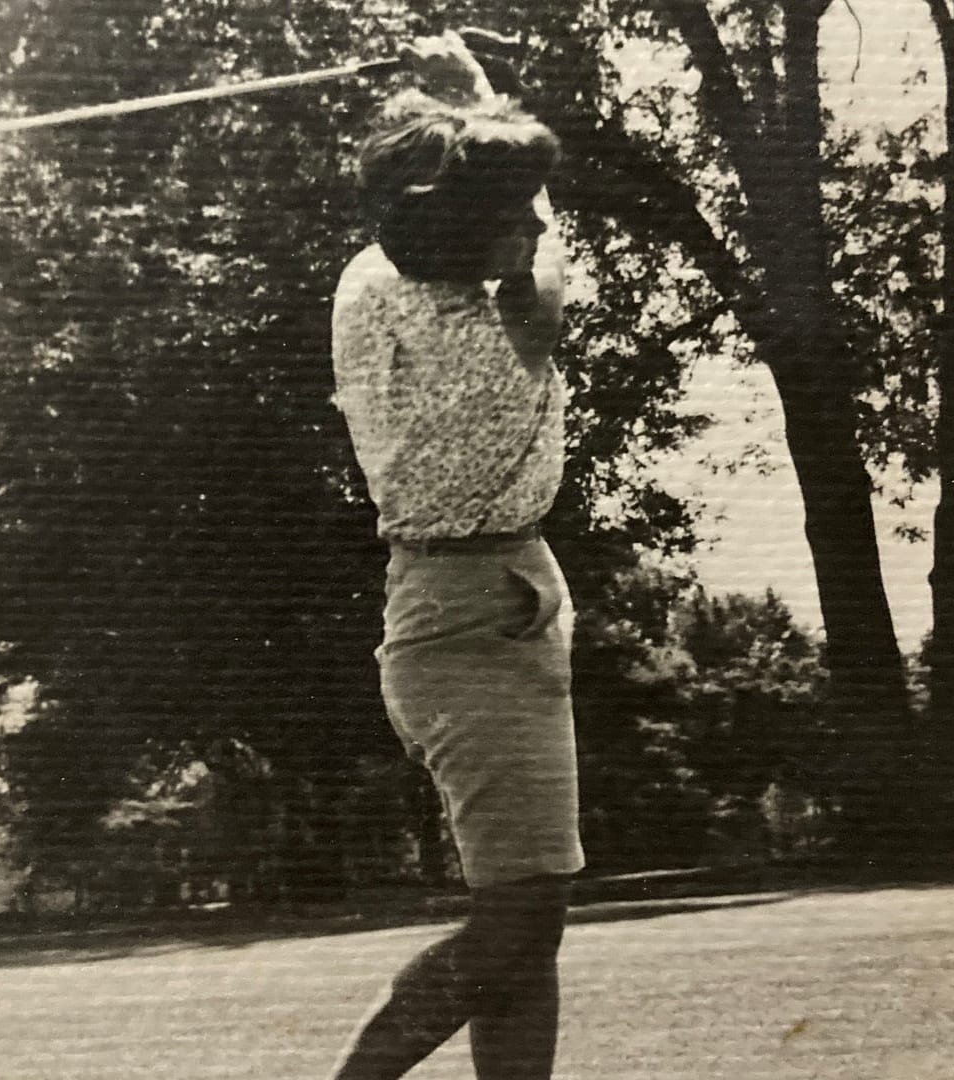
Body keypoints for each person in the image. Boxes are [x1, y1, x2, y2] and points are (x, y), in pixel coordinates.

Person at [328, 32, 583, 1080]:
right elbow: (553, 272)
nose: (531, 219)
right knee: (522, 919)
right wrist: (474, 96)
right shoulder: (477, 324)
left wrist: (469, 108)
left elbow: (520, 207)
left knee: (529, 922)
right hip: (463, 617)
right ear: (459, 223)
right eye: (512, 209)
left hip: (497, 595)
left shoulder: (377, 275)